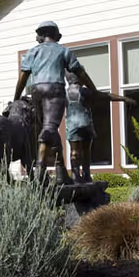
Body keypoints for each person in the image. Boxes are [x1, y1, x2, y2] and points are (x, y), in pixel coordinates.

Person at [13, 21, 98, 184]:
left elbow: (23, 77)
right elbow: (80, 72)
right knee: (49, 129)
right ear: (56, 35)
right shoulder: (64, 51)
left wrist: (16, 96)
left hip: (36, 90)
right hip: (54, 90)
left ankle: (60, 172)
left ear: (41, 35)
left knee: (47, 128)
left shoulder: (33, 52)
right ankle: (40, 172)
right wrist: (93, 89)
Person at [65, 71, 135, 183]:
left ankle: (75, 175)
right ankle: (87, 175)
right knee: (86, 150)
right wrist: (124, 98)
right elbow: (105, 96)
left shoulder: (65, 93)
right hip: (85, 122)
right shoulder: (85, 92)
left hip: (72, 124)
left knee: (74, 151)